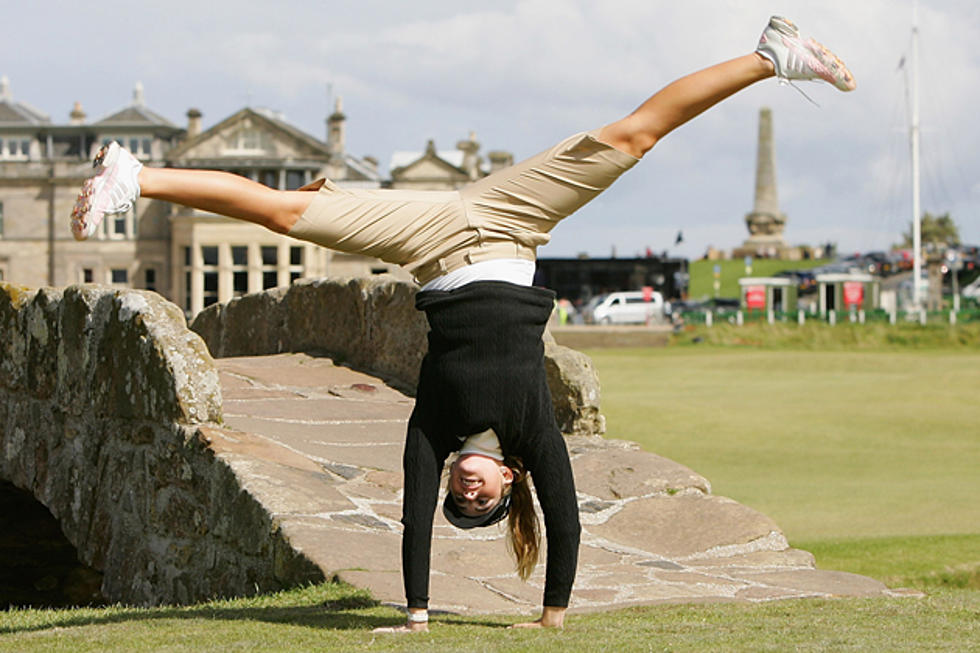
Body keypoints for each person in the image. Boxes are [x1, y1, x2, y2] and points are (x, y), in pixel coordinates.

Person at [70, 16, 854, 632]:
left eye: (461, 497)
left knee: (287, 214)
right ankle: (772, 56)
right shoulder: (531, 429)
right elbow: (570, 522)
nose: (466, 489)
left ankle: (135, 176)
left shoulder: (434, 431)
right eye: (481, 501)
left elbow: (412, 521)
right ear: (510, 484)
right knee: (632, 138)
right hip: (513, 223)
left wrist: (415, 614)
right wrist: (552, 615)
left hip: (431, 240)